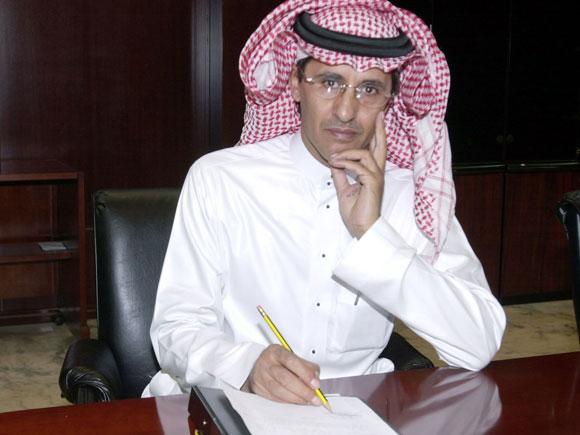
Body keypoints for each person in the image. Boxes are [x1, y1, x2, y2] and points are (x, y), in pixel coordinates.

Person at [143, 0, 506, 408]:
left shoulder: (406, 195)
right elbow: (176, 328)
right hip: (229, 402)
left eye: (369, 89)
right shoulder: (221, 179)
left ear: (389, 100)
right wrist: (245, 367)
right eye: (330, 82)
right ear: (296, 84)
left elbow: (479, 342)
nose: (347, 111)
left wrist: (373, 236)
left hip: (352, 413)